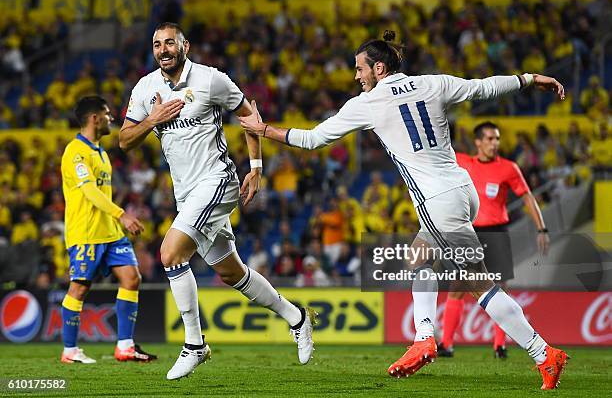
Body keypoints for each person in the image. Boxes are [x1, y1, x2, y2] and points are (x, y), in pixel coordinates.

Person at [239, 31, 568, 390]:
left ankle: (543, 353)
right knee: (418, 258)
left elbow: (314, 139)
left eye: (359, 68)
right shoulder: (432, 83)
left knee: (479, 284)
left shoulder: (367, 103)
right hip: (463, 189)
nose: (356, 76)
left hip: (437, 202)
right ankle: (424, 337)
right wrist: (530, 78)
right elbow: (483, 87)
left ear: (378, 68)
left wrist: (263, 129)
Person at [119, 22, 315, 380]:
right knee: (231, 273)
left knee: (170, 253)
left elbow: (249, 116)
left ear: (185, 46)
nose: (163, 50)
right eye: (156, 44)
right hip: (187, 194)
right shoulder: (145, 89)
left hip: (219, 181)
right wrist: (153, 119)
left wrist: (256, 167)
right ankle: (297, 317)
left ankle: (195, 344)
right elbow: (124, 140)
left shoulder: (211, 80)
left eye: (169, 43)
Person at [438, 121, 550, 359]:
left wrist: (541, 229)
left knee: (500, 289)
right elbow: (436, 153)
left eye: (497, 139)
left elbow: (527, 197)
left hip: (497, 231)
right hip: (469, 234)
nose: (494, 143)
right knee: (457, 287)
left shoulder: (509, 168)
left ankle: (500, 344)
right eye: (489, 138)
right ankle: (446, 344)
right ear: (477, 142)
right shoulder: (462, 162)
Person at [60, 96, 156, 364]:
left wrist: (117, 219)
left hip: (111, 233)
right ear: (94, 118)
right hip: (86, 232)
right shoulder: (75, 152)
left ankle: (125, 347)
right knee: (79, 288)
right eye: (107, 113)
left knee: (132, 278)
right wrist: (122, 214)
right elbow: (89, 191)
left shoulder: (101, 153)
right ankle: (69, 351)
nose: (111, 117)